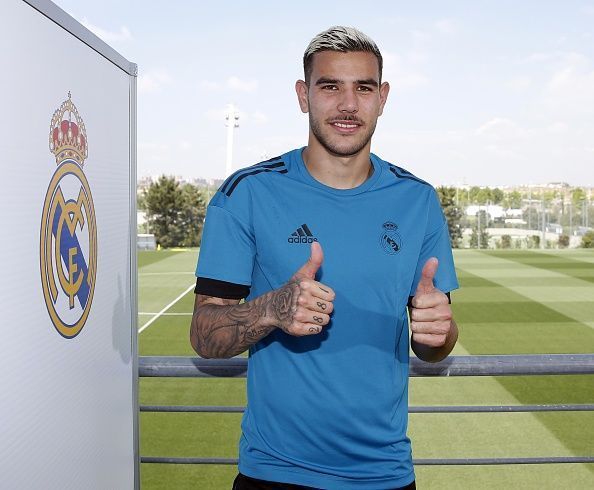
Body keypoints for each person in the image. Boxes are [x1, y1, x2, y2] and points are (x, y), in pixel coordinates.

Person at [190, 26, 459, 490]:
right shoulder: (246, 194)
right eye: (330, 85)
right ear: (303, 95)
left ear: (383, 97)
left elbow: (433, 346)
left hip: (385, 475)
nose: (348, 104)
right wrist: (273, 308)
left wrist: (441, 331)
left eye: (364, 87)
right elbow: (203, 335)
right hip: (274, 474)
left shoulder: (418, 201)